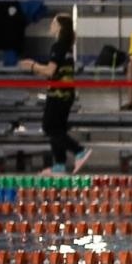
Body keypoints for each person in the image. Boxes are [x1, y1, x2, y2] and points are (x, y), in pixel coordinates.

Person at [19, 13, 92, 175]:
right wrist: (39, 69)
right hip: (66, 94)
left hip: (59, 94)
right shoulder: (65, 47)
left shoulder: (58, 46)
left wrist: (32, 66)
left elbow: (50, 70)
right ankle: (59, 165)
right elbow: (53, 73)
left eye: (53, 22)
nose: (50, 25)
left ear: (59, 26)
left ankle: (79, 150)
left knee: (49, 126)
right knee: (58, 128)